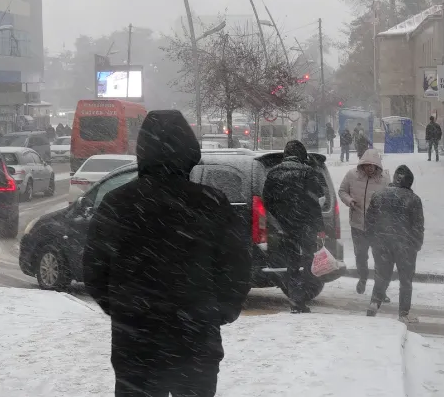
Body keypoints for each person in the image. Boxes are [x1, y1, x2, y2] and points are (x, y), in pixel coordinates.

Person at [83, 109, 251, 397]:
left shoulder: (118, 203)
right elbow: (237, 268)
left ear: (142, 151)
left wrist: (123, 308)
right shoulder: (211, 203)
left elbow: (95, 270)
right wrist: (217, 311)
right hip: (195, 340)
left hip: (136, 343)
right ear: (189, 150)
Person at [262, 140, 325, 314]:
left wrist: (280, 217)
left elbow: (266, 199)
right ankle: (300, 298)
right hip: (306, 225)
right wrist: (319, 226)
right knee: (308, 261)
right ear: (301, 154)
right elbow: (317, 199)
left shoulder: (274, 173)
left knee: (292, 261)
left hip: (285, 225)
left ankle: (295, 297)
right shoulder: (308, 172)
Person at [365, 165, 424, 323]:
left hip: (381, 243)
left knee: (382, 276)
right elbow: (418, 226)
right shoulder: (414, 199)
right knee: (406, 281)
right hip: (405, 245)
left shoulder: (378, 195)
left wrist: (372, 240)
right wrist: (416, 244)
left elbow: (369, 220)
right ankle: (403, 313)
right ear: (410, 183)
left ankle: (374, 303)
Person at [338, 149, 391, 299]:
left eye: (373, 166)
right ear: (362, 165)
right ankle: (363, 277)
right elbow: (342, 191)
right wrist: (349, 201)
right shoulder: (351, 175)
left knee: (380, 259)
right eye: (367, 165)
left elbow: (390, 199)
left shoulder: (385, 180)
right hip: (357, 224)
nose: (370, 168)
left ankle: (380, 290)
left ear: (378, 166)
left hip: (377, 227)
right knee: (361, 255)